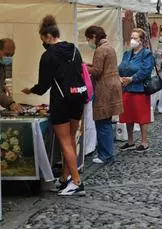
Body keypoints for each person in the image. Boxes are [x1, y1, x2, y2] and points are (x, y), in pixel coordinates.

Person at [22, 15, 86, 196]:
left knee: (64, 142)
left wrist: (30, 90)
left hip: (62, 100)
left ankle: (76, 181)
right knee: (71, 139)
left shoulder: (48, 55)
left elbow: (44, 85)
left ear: (48, 36)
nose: (42, 42)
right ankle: (65, 178)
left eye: (42, 39)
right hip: (78, 96)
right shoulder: (73, 49)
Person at [85, 26, 123, 164]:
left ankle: (105, 155)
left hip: (104, 88)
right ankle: (108, 152)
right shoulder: (110, 47)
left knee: (102, 122)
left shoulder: (100, 50)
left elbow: (97, 71)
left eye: (88, 38)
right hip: (112, 86)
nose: (88, 41)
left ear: (94, 36)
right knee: (106, 121)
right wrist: (89, 65)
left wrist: (82, 67)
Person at [118, 28, 153, 152]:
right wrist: (120, 77)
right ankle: (130, 141)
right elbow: (121, 67)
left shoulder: (146, 53)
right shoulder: (127, 53)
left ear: (142, 40)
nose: (132, 40)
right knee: (128, 116)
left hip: (140, 89)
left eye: (135, 38)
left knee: (142, 116)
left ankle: (144, 142)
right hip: (126, 88)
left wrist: (132, 78)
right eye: (131, 37)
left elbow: (146, 70)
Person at [0, 39, 22, 113]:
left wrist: (2, 85)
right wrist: (10, 103)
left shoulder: (2, 64)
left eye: (12, 55)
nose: (9, 57)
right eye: (7, 54)